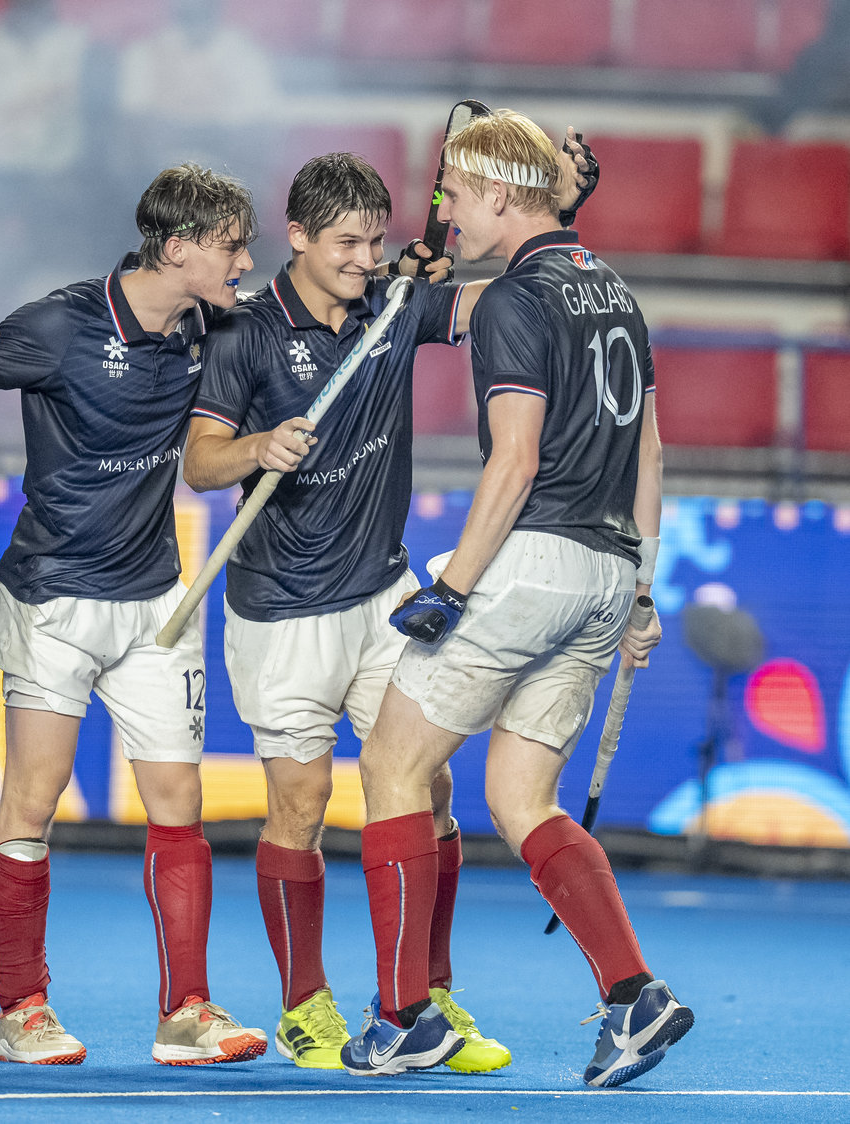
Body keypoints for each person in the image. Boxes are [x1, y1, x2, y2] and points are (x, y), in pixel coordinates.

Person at [182, 138, 595, 1072]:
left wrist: (558, 217)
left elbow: (511, 293)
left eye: (375, 242)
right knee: (301, 806)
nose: (365, 261)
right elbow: (199, 461)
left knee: (430, 788)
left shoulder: (395, 306)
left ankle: (422, 998)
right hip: (280, 609)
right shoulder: (244, 333)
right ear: (295, 236)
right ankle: (304, 1005)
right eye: (345, 245)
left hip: (383, 593)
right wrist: (257, 449)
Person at [341, 108, 690, 1088]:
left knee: (392, 765)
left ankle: (403, 1013)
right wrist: (640, 591)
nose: (448, 211)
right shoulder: (614, 290)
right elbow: (649, 453)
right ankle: (633, 993)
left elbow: (515, 459)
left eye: (455, 193)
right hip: (605, 570)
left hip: (528, 562)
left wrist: (448, 588)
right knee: (517, 795)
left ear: (499, 192)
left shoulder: (510, 300)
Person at [0, 163, 269, 1067]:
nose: (245, 260)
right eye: (231, 245)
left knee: (178, 805)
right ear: (177, 248)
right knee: (32, 802)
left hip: (155, 605)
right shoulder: (51, 326)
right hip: (53, 598)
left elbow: (306, 310)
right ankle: (19, 1012)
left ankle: (186, 1012)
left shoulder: (210, 329)